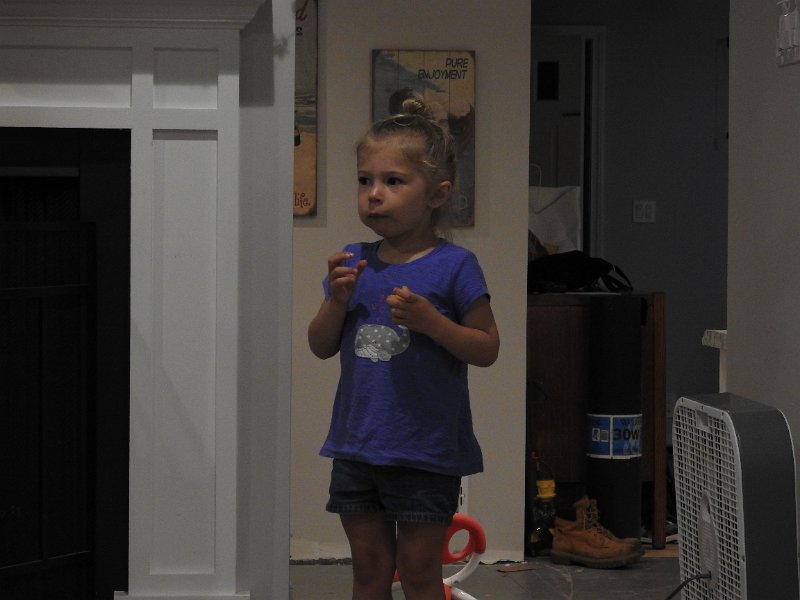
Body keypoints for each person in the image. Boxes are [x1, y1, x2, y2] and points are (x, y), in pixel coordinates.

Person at [307, 97, 500, 600]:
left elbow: (486, 348)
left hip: (426, 453)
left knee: (418, 572)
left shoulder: (456, 265)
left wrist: (432, 323)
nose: (374, 194)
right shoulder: (353, 260)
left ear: (437, 194)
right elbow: (320, 345)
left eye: (393, 181)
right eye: (364, 180)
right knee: (368, 571)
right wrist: (336, 301)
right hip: (356, 447)